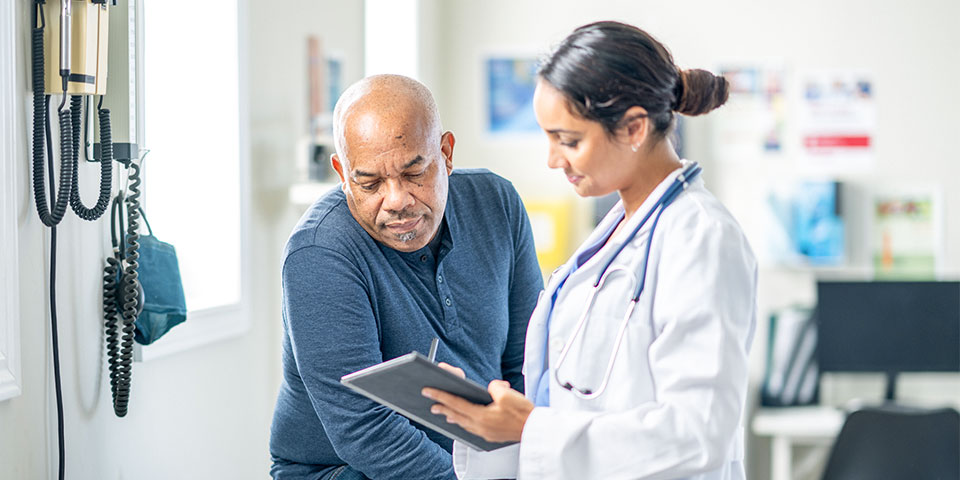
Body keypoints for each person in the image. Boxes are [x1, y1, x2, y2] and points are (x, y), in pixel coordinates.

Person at [424, 21, 758, 480]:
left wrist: (532, 429)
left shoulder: (701, 237)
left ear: (634, 127)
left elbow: (698, 431)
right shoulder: (612, 236)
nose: (553, 159)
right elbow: (569, 406)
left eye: (570, 140)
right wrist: (495, 423)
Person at [269, 74, 543, 480]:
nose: (397, 201)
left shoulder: (497, 204)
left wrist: (532, 460)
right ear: (342, 174)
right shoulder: (321, 252)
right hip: (344, 469)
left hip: (478, 461)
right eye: (370, 182)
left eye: (415, 173)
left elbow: (529, 363)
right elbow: (364, 427)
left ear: (446, 153)